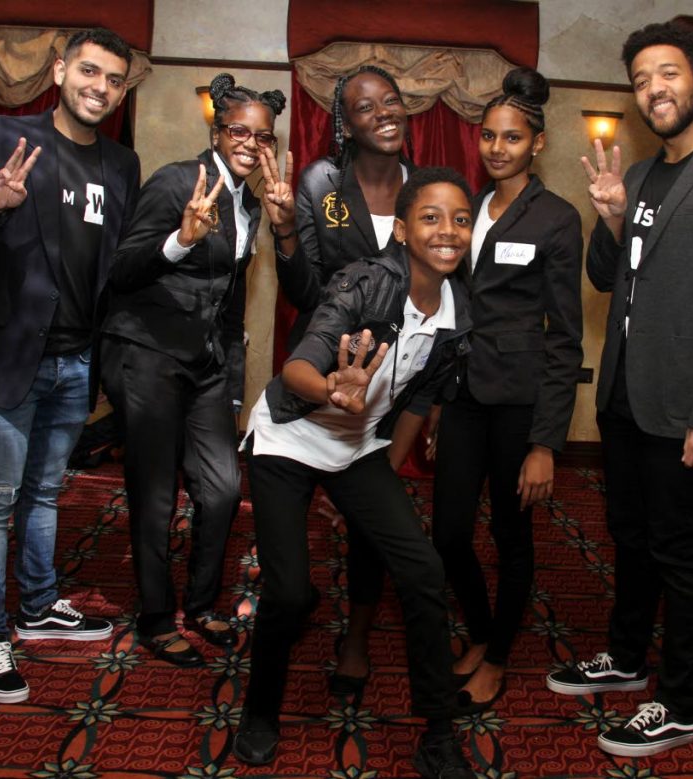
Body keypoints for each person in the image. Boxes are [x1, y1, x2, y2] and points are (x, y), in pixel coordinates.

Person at [544, 21, 693, 758]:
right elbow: (607, 276)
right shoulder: (643, 176)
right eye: (643, 78)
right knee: (629, 537)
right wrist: (613, 217)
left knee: (679, 551)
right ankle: (625, 657)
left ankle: (679, 702)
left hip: (686, 412)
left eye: (670, 74)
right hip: (624, 397)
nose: (656, 88)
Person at [233, 167, 476, 779]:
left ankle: (439, 733)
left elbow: (421, 399)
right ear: (401, 228)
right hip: (291, 436)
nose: (448, 231)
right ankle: (260, 712)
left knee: (422, 572)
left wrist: (383, 472)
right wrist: (333, 390)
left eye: (461, 219)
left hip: (358, 449)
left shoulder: (457, 314)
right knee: (287, 593)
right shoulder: (363, 282)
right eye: (430, 217)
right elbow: (295, 371)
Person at [0, 28, 140, 704]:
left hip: (77, 361)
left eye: (112, 78)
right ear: (59, 71)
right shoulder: (3, 137)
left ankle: (40, 603)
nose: (99, 87)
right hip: (5, 359)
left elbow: (117, 267)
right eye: (88, 70)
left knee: (46, 493)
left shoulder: (122, 165)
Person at [99, 74, 292, 666]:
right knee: (155, 494)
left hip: (206, 365)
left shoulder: (252, 202)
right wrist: (180, 241)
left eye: (263, 136)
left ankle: (203, 604)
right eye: (239, 130)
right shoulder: (177, 181)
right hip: (145, 354)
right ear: (217, 131)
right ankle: (157, 618)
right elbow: (122, 270)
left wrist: (233, 385)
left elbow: (232, 301)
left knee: (223, 489)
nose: (250, 143)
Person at [432, 67, 582, 713]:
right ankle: (482, 625)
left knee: (511, 534)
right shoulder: (468, 205)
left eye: (512, 138)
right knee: (447, 530)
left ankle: (495, 658)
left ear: (536, 143)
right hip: (463, 391)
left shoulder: (556, 218)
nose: (497, 148)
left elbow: (566, 337)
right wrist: (438, 402)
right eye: (489, 136)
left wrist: (546, 441)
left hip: (520, 402)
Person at [275, 65, 415, 693]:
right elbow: (303, 288)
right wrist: (282, 232)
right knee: (294, 503)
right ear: (346, 122)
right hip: (322, 366)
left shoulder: (424, 190)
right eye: (365, 107)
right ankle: (289, 598)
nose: (383, 113)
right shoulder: (323, 184)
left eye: (392, 101)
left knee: (369, 518)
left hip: (391, 378)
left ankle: (356, 637)